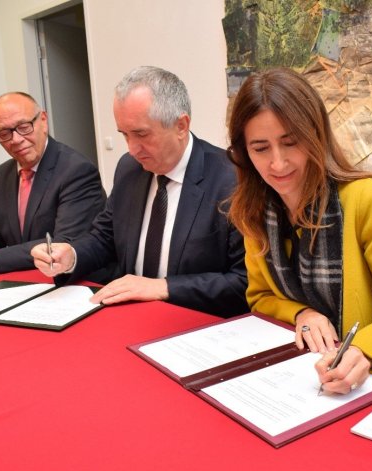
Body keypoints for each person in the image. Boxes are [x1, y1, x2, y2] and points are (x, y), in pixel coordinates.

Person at [226, 67, 372, 393]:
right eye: (260, 148)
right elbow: (261, 297)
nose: (278, 163)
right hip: (318, 376)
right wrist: (302, 313)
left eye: (290, 142)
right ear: (244, 152)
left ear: (316, 136)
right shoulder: (254, 214)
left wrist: (364, 350)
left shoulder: (365, 198)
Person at [31, 66, 248, 318]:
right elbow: (104, 237)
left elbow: (242, 281)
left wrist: (163, 287)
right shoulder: (129, 169)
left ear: (181, 125)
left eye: (141, 134)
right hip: (131, 316)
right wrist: (71, 256)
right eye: (124, 135)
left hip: (196, 320)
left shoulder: (231, 179)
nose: (132, 149)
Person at [0, 92, 107, 277]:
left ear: (43, 120)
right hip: (24, 282)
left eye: (24, 127)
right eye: (4, 133)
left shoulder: (76, 170)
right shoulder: (1, 175)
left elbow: (60, 245)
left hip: (75, 282)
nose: (15, 139)